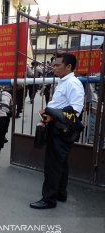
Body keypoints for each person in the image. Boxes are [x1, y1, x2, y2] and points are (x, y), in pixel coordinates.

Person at [30, 53, 84, 209]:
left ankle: (49, 199)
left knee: (53, 165)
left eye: (57, 65)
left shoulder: (72, 83)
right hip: (58, 127)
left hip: (62, 130)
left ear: (68, 67)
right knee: (61, 163)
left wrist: (53, 116)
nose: (54, 68)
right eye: (53, 65)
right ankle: (60, 193)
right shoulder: (65, 82)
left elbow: (75, 110)